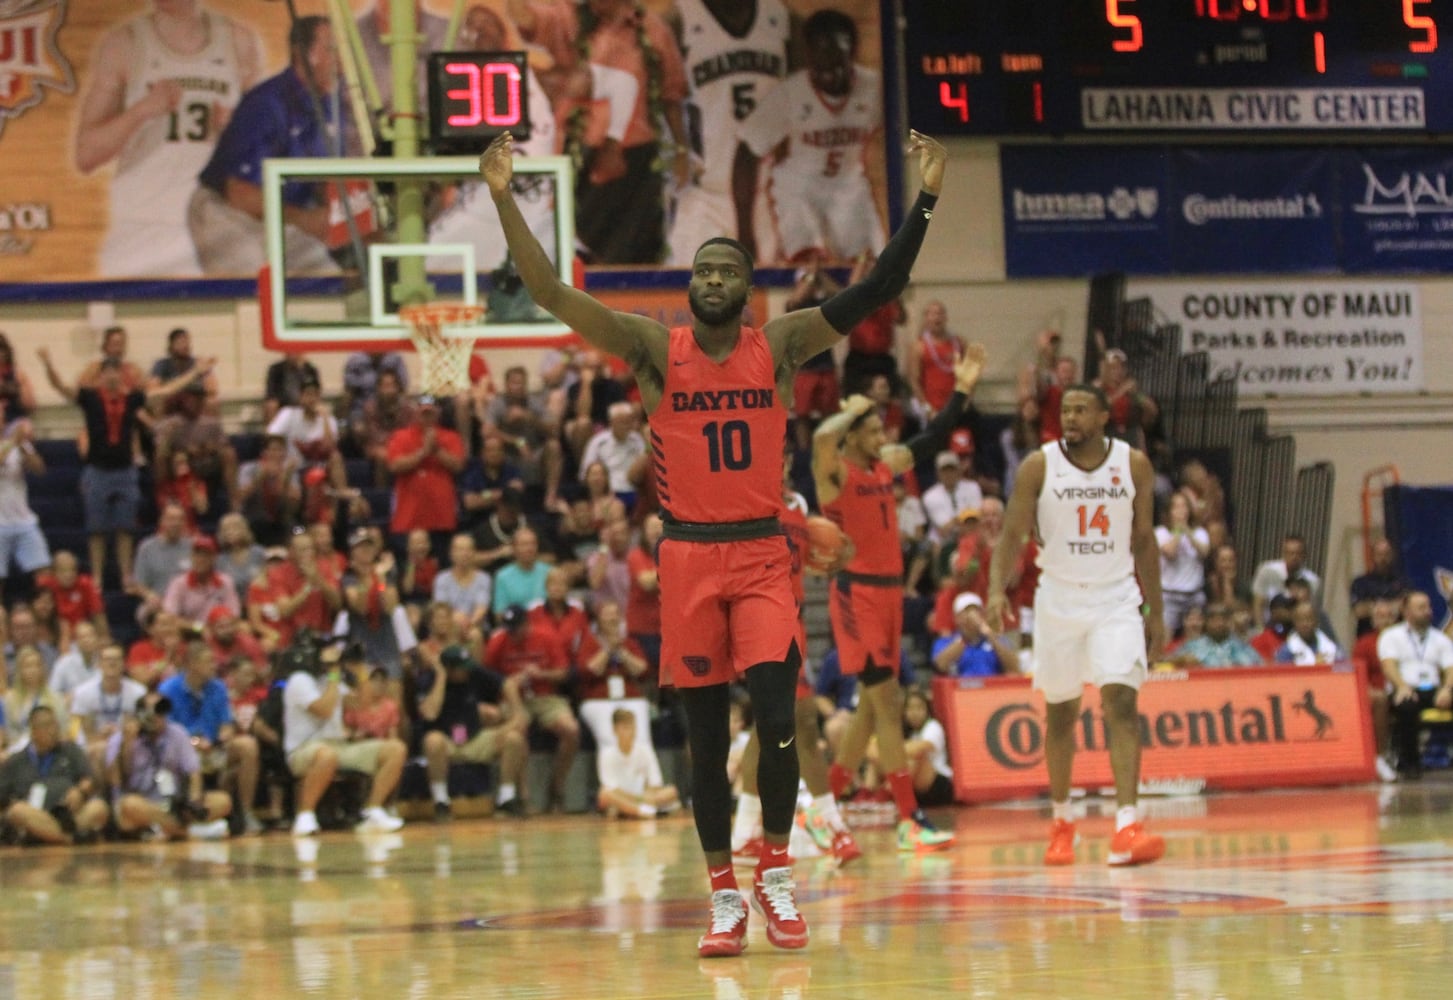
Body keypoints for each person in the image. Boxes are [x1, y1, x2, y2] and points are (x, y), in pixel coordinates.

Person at [482, 121, 947, 956]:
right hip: (689, 557)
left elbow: (879, 286)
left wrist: (927, 198)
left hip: (765, 552)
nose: (712, 277)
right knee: (702, 741)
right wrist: (502, 195)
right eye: (702, 268)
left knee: (776, 718)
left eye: (727, 268)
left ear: (744, 287)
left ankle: (774, 873)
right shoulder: (653, 349)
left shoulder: (783, 345)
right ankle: (722, 895)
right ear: (689, 285)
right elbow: (549, 290)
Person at [988, 383, 1167, 867]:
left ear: (1105, 416)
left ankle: (1127, 825)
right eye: (1065, 409)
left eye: (1081, 410)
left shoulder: (1133, 465)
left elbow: (1145, 540)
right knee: (1062, 713)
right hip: (1058, 601)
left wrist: (1158, 611)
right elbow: (1013, 534)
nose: (1070, 417)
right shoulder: (1038, 465)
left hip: (1116, 599)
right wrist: (995, 589)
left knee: (1122, 702)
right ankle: (1062, 822)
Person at [812, 351, 985, 853]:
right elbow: (823, 436)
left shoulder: (883, 465)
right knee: (886, 705)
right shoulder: (834, 470)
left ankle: (821, 808)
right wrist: (852, 409)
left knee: (869, 710)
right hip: (856, 594)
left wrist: (963, 390)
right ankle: (910, 819)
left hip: (889, 595)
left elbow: (929, 441)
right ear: (852, 435)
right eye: (871, 431)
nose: (882, 437)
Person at [74, 0, 262, 277]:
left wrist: (235, 131)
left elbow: (266, 149)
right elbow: (86, 155)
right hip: (144, 230)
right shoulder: (125, 43)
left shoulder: (238, 40)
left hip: (220, 230)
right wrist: (141, 111)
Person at [37, 350, 210, 589]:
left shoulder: (133, 399)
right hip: (98, 470)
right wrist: (48, 363)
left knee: (125, 528)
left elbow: (166, 391)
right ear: (100, 377)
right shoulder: (90, 397)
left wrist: (195, 373)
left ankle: (126, 574)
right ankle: (97, 577)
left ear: (122, 376)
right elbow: (60, 387)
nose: (111, 377)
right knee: (96, 529)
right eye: (106, 373)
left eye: (116, 373)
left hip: (125, 470)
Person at [189, 16, 342, 275]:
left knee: (326, 282)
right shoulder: (267, 104)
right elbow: (239, 193)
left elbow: (325, 177)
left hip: (281, 216)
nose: (340, 58)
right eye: (331, 48)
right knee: (254, 286)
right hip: (228, 213)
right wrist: (307, 220)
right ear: (304, 53)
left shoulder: (330, 106)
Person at [736, 8, 884, 263]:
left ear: (853, 52)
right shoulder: (790, 94)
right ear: (808, 57)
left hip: (849, 184)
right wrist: (745, 232)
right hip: (798, 187)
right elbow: (746, 152)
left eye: (837, 63)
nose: (829, 73)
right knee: (807, 263)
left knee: (871, 266)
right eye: (820, 64)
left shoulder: (875, 88)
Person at [664, 0, 791, 265]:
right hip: (704, 193)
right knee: (692, 291)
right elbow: (664, 100)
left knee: (772, 299)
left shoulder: (779, 15)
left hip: (769, 195)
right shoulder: (681, 19)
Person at [283, 640, 407, 836]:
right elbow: (323, 710)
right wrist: (334, 673)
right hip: (303, 749)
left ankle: (372, 810)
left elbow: (363, 704)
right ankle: (304, 815)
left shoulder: (332, 680)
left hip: (337, 745)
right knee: (327, 755)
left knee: (395, 749)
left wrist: (360, 672)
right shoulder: (299, 680)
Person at [158, 641, 262, 835]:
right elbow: (167, 732)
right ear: (191, 664)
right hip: (182, 749)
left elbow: (226, 721)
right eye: (208, 662)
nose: (214, 666)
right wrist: (195, 743)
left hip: (214, 747)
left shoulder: (219, 687)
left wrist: (226, 733)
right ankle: (186, 811)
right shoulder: (168, 690)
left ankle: (246, 812)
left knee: (247, 745)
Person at [415, 643, 528, 820]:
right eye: (461, 668)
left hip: (474, 737)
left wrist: (516, 714)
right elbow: (430, 713)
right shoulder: (428, 680)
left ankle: (506, 797)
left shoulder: (474, 673)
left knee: (514, 739)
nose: (466, 672)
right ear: (449, 669)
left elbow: (507, 684)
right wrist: (442, 677)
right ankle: (441, 801)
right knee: (432, 741)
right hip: (447, 742)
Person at [483, 605, 576, 812]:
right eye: (510, 629)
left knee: (571, 730)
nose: (513, 634)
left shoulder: (546, 636)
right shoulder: (499, 641)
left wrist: (541, 674)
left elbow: (563, 673)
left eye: (516, 629)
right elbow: (486, 678)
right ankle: (524, 795)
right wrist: (508, 682)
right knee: (518, 728)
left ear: (526, 624)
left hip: (544, 695)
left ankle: (557, 788)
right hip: (513, 698)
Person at [108, 691, 232, 840]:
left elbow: (194, 773)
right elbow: (116, 781)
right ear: (140, 714)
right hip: (142, 802)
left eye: (161, 711)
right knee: (129, 806)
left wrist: (193, 802)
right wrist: (127, 745)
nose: (156, 716)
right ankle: (191, 831)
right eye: (151, 711)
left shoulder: (177, 733)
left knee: (223, 801)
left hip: (173, 803)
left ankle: (165, 830)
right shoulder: (121, 739)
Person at [0, 706, 109, 845]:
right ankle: (68, 839)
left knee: (98, 807)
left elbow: (89, 778)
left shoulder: (71, 750)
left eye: (54, 724)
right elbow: (3, 798)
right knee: (17, 811)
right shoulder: (15, 761)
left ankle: (49, 836)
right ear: (33, 731)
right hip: (35, 815)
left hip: (68, 816)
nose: (53, 730)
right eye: (46, 725)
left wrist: (80, 792)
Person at [1380, 591, 1453, 779]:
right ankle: (1410, 764)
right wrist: (1402, 686)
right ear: (1406, 611)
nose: (1428, 611)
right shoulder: (1391, 636)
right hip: (1405, 688)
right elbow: (1389, 666)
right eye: (1421, 607)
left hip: (1433, 689)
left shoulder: (1440, 638)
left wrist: (1447, 689)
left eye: (1428, 607)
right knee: (1406, 707)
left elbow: (1451, 668)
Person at [386, 394, 467, 556]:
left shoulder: (450, 437)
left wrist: (436, 449)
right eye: (424, 414)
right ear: (416, 414)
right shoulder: (401, 437)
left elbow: (458, 465)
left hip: (441, 518)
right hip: (408, 519)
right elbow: (394, 465)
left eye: (430, 413)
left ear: (438, 414)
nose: (427, 418)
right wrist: (423, 452)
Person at [596, 709, 680, 819]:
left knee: (671, 791)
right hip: (621, 797)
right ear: (615, 730)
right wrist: (640, 799)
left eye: (632, 727)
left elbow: (655, 783)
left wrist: (642, 797)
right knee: (604, 795)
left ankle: (627, 810)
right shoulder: (606, 754)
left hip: (643, 796)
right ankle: (644, 811)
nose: (630, 732)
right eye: (625, 728)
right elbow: (610, 788)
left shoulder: (645, 750)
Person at [1353, 598, 1401, 782]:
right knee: (1379, 699)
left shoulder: (1404, 639)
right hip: (1377, 691)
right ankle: (1381, 756)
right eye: (1380, 617)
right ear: (1373, 621)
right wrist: (1368, 689)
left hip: (1401, 689)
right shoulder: (1364, 643)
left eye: (1389, 616)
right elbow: (1357, 674)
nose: (1385, 620)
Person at [0, 417, 49, 592]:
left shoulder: (18, 444)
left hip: (24, 521)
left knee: (44, 574)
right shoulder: (12, 441)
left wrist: (23, 448)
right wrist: (13, 441)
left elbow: (40, 470)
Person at [1156, 491, 1210, 635]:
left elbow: (1204, 552)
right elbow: (1170, 553)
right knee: (1164, 639)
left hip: (1194, 596)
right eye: (1176, 507)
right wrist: (1178, 531)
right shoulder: (1161, 533)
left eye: (1184, 506)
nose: (1180, 511)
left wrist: (1187, 531)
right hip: (1169, 597)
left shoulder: (1199, 532)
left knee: (1195, 639)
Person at [931, 592, 1017, 677]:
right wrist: (966, 637)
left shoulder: (996, 640)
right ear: (957, 617)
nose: (972, 615)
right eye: (966, 611)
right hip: (960, 688)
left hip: (991, 688)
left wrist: (988, 633)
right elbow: (940, 666)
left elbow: (1014, 667)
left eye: (976, 610)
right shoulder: (946, 641)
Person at [162, 534, 240, 625]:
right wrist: (199, 629)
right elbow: (170, 617)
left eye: (206, 555)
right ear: (191, 557)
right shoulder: (178, 583)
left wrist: (216, 629)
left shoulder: (225, 581)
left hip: (221, 631)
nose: (201, 559)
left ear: (214, 559)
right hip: (189, 632)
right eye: (197, 555)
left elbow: (234, 614)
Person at [905, 301, 964, 418]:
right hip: (932, 409)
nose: (937, 317)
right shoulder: (918, 347)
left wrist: (965, 404)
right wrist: (927, 409)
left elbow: (969, 377)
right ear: (926, 319)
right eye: (932, 314)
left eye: (940, 313)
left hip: (956, 408)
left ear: (946, 317)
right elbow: (913, 381)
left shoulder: (960, 343)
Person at [1251, 534, 1321, 626]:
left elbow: (1311, 612)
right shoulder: (1267, 570)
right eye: (1290, 553)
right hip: (1268, 626)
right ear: (1283, 553)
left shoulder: (1313, 581)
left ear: (1304, 555)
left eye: (1298, 553)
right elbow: (1258, 604)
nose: (1294, 557)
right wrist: (1260, 630)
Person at [901, 688, 954, 809]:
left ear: (927, 710)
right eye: (910, 708)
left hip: (939, 784)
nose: (915, 713)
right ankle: (872, 793)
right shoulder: (907, 731)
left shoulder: (933, 726)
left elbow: (919, 749)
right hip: (919, 788)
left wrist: (890, 749)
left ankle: (896, 796)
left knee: (916, 756)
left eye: (919, 708)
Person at [1350, 538, 1412, 637]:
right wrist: (1392, 606)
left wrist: (1373, 607)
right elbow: (1359, 611)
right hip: (1368, 636)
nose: (1383, 558)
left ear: (1392, 556)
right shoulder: (1360, 583)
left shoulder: (1403, 582)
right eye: (1379, 554)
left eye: (1386, 554)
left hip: (1398, 638)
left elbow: (1407, 607)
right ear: (1373, 556)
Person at [1172, 603, 1263, 668]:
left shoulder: (1242, 646)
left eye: (1223, 620)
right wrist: (1181, 660)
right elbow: (1167, 662)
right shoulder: (1192, 646)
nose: (1219, 624)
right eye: (1214, 620)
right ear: (1206, 623)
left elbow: (1259, 665)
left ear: (1229, 622)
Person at [1274, 601, 1342, 665]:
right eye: (1300, 620)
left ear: (1316, 621)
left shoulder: (1331, 646)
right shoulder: (1287, 651)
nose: (1305, 624)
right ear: (1294, 623)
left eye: (1309, 619)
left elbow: (1343, 669)